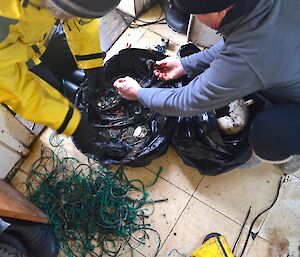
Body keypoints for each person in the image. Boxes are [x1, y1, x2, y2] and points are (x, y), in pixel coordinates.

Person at [113, 0, 300, 173]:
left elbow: (187, 101)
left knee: (268, 134)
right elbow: (238, 38)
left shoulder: (251, 55)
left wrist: (138, 93)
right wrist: (186, 64)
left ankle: (286, 154)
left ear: (221, 10)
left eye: (196, 14)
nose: (197, 19)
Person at [0, 0, 120, 152]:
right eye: (69, 13)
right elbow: (10, 84)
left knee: (77, 72)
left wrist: (92, 66)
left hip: (42, 34)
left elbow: (81, 18)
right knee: (57, 97)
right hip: (13, 62)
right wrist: (73, 124)